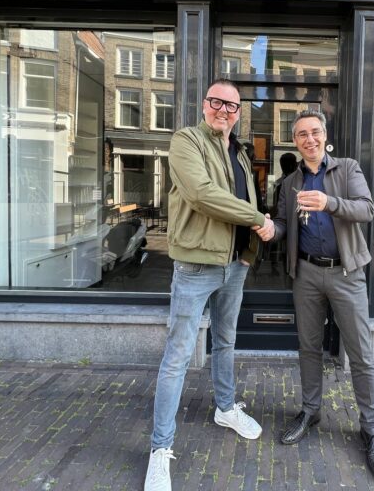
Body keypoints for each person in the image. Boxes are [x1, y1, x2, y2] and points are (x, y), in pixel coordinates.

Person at [144, 79, 275, 491]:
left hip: (234, 266)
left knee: (225, 342)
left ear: (238, 113)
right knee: (178, 356)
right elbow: (202, 195)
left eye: (232, 106)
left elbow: (247, 199)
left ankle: (225, 408)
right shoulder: (186, 141)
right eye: (217, 102)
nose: (224, 110)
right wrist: (259, 220)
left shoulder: (239, 152)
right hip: (196, 265)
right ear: (205, 105)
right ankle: (160, 449)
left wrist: (249, 252)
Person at [270, 110, 374, 482]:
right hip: (306, 273)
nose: (309, 139)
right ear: (295, 141)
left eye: (315, 132)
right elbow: (284, 224)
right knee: (308, 347)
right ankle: (310, 411)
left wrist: (329, 202)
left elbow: (367, 210)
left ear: (325, 135)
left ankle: (371, 430)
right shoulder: (290, 182)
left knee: (361, 353)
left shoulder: (347, 168)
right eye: (302, 134)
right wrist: (269, 229)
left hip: (346, 273)